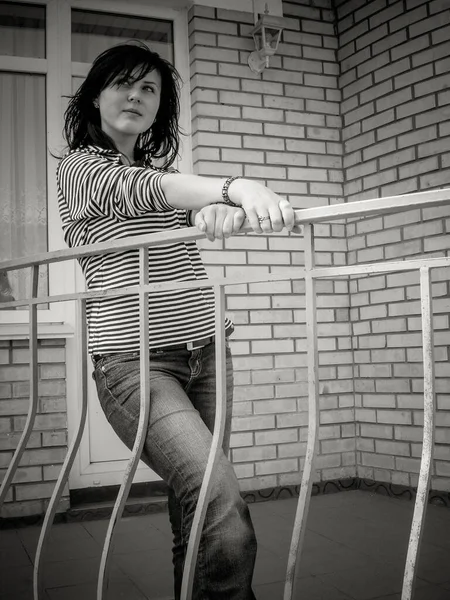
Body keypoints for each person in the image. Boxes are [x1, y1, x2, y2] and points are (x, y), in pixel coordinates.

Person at [57, 41, 297, 600]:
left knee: (195, 507)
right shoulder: (80, 169)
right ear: (96, 95)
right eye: (125, 83)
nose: (137, 96)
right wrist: (236, 186)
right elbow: (142, 190)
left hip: (208, 352)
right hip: (134, 364)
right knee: (216, 493)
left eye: (150, 89)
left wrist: (213, 209)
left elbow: (183, 202)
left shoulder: (162, 176)